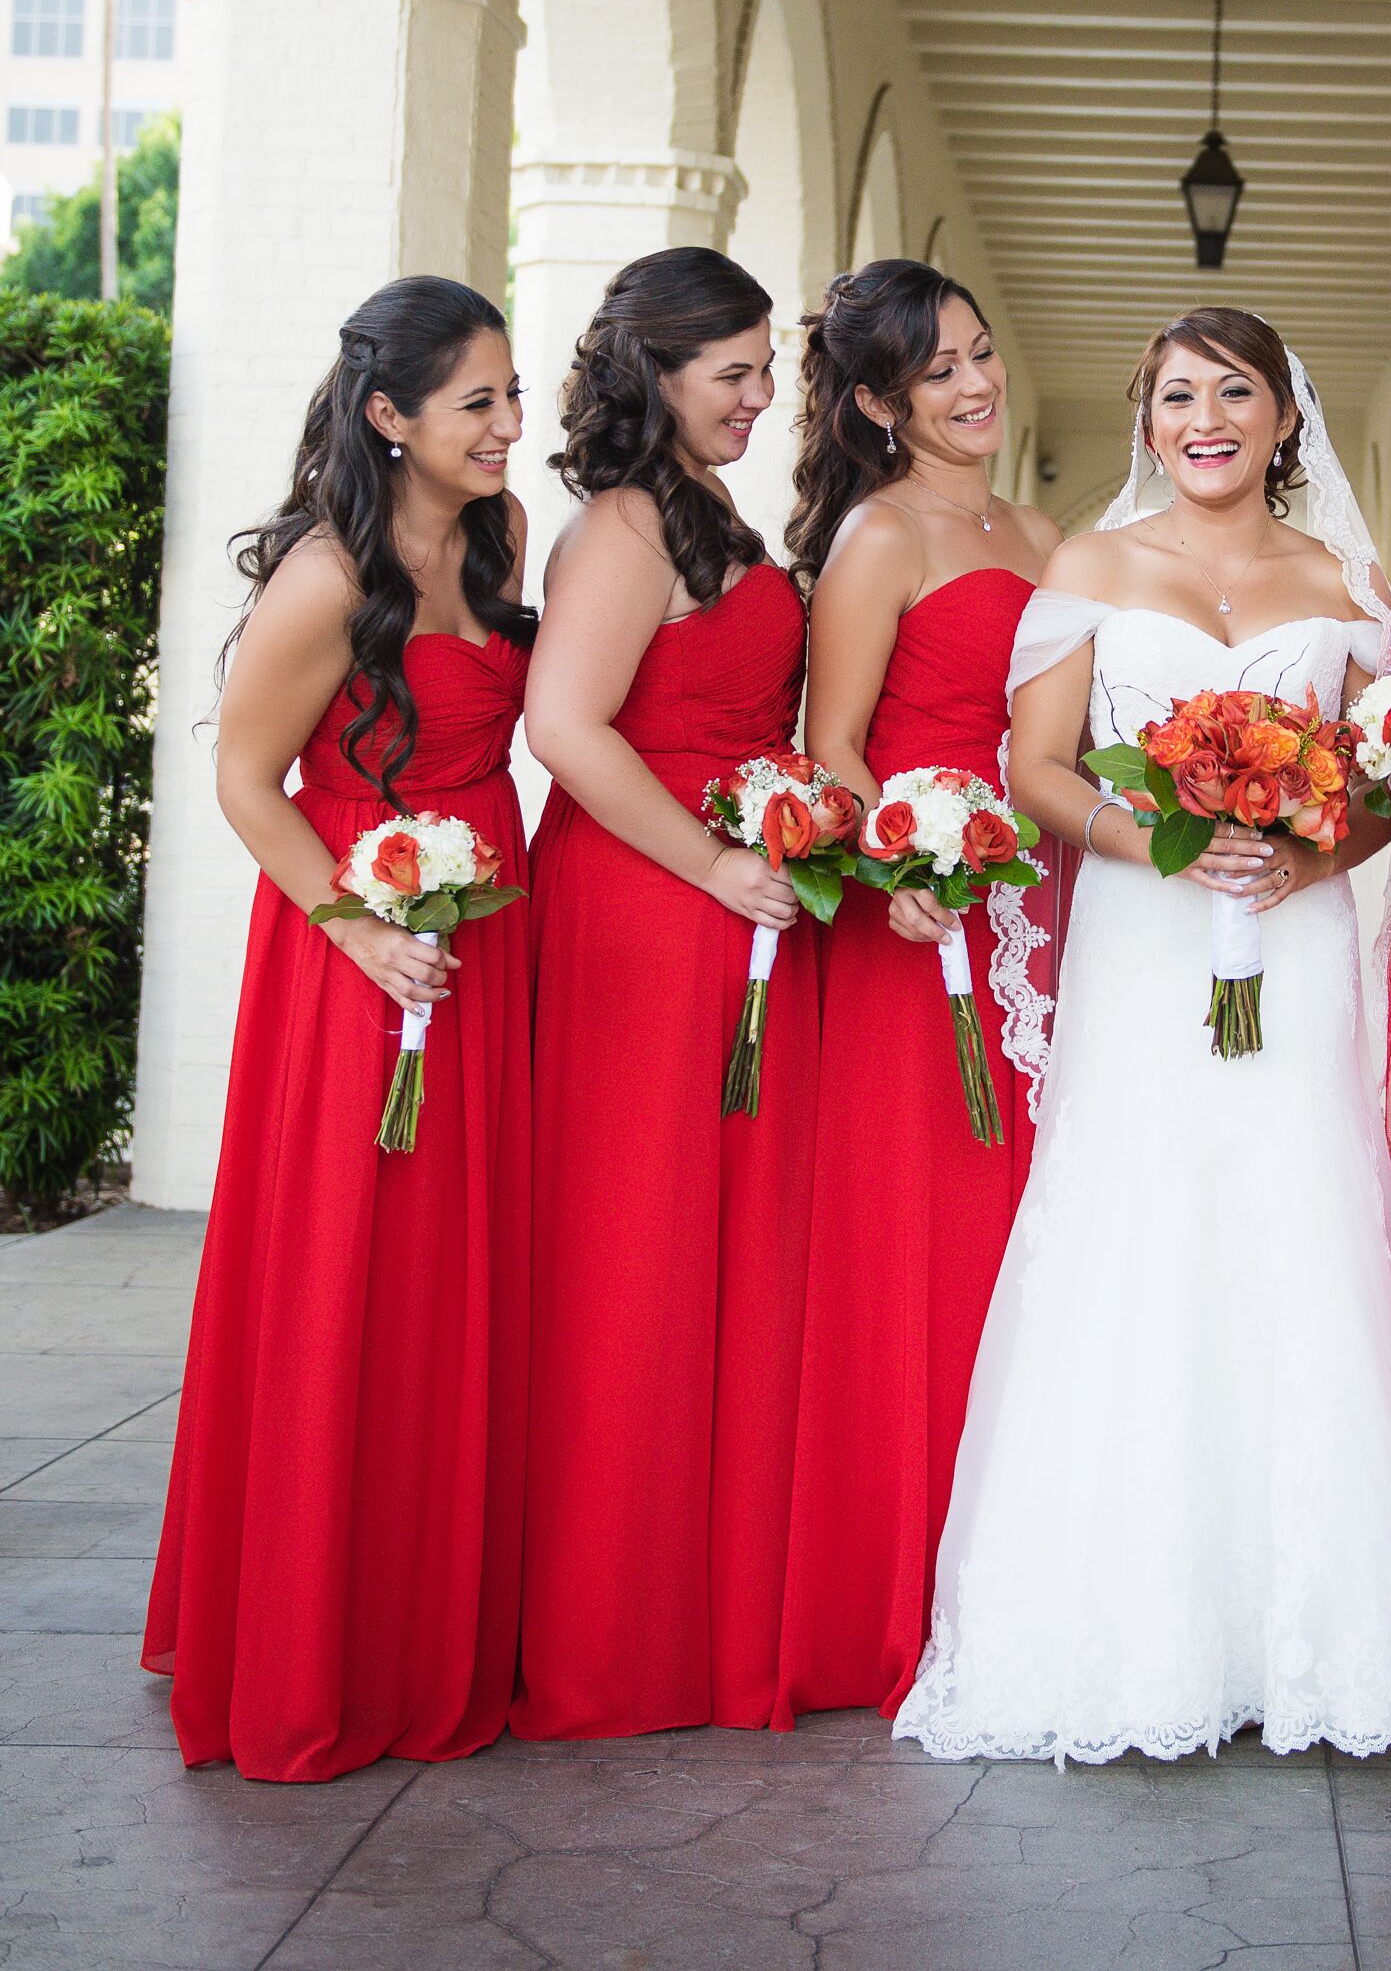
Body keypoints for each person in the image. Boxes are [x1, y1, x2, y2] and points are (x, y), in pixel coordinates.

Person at [893, 307, 1391, 1766]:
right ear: (1146, 424)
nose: (1201, 417)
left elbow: (1389, 779)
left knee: (1299, 1228)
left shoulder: (1343, 581)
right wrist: (1154, 840)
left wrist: (1310, 857)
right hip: (1147, 948)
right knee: (1138, 1234)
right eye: (1173, 398)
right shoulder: (1088, 567)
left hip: (1297, 936)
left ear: (1284, 416)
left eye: (1232, 392)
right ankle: (1118, 1629)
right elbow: (1031, 767)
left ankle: (1306, 1639)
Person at [144, 278, 535, 1780]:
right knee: (344, 1278)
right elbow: (249, 780)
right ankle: (317, 1639)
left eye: (510, 397)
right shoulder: (326, 576)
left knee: (452, 1283)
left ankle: (432, 1620)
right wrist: (362, 930)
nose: (508, 428)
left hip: (477, 953)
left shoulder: (494, 539)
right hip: (351, 952)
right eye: (477, 404)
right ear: (390, 416)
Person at [514, 247, 815, 1738]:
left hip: (719, 898)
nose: (762, 397)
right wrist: (710, 862)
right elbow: (565, 726)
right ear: (659, 372)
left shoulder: (700, 512)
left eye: (766, 370)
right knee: (636, 1254)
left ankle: (693, 1602)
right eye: (736, 371)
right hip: (648, 908)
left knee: (707, 1249)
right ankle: (608, 1631)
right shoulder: (629, 524)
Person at [774, 261, 1059, 1725]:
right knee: (931, 1235)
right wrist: (905, 871)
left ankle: (1025, 1556)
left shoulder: (1035, 527)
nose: (973, 386)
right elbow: (832, 743)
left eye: (979, 355)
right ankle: (901, 1583)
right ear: (880, 403)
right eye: (937, 372)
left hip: (1045, 912)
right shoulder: (880, 536)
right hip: (922, 936)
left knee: (1038, 1231)